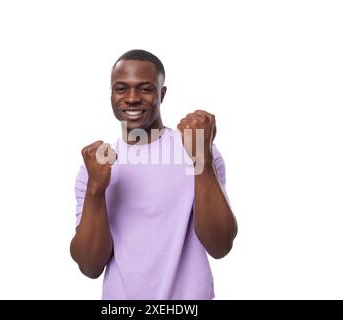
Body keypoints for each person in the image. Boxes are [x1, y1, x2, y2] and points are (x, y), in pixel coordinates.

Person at [69, 49, 238, 299]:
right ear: (111, 94)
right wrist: (96, 189)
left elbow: (220, 245)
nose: (132, 98)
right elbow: (90, 266)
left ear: (162, 93)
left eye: (145, 88)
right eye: (121, 88)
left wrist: (202, 159)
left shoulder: (195, 149)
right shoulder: (96, 166)